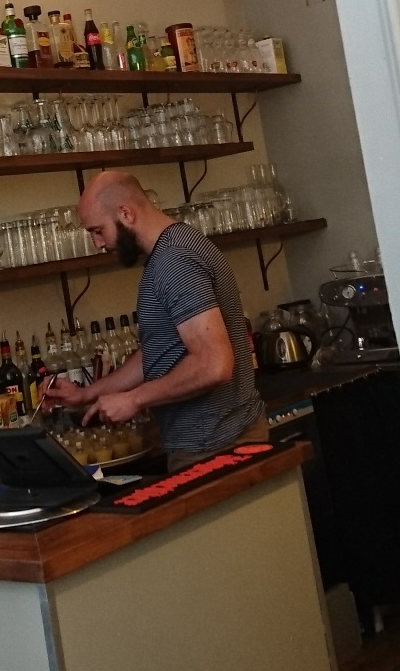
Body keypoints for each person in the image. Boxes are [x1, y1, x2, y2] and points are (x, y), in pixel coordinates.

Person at [42, 171, 266, 469]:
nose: (97, 243)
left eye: (98, 230)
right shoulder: (174, 248)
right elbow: (158, 350)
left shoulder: (174, 261)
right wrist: (85, 394)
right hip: (213, 441)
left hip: (217, 446)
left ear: (126, 213)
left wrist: (135, 399)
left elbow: (214, 365)